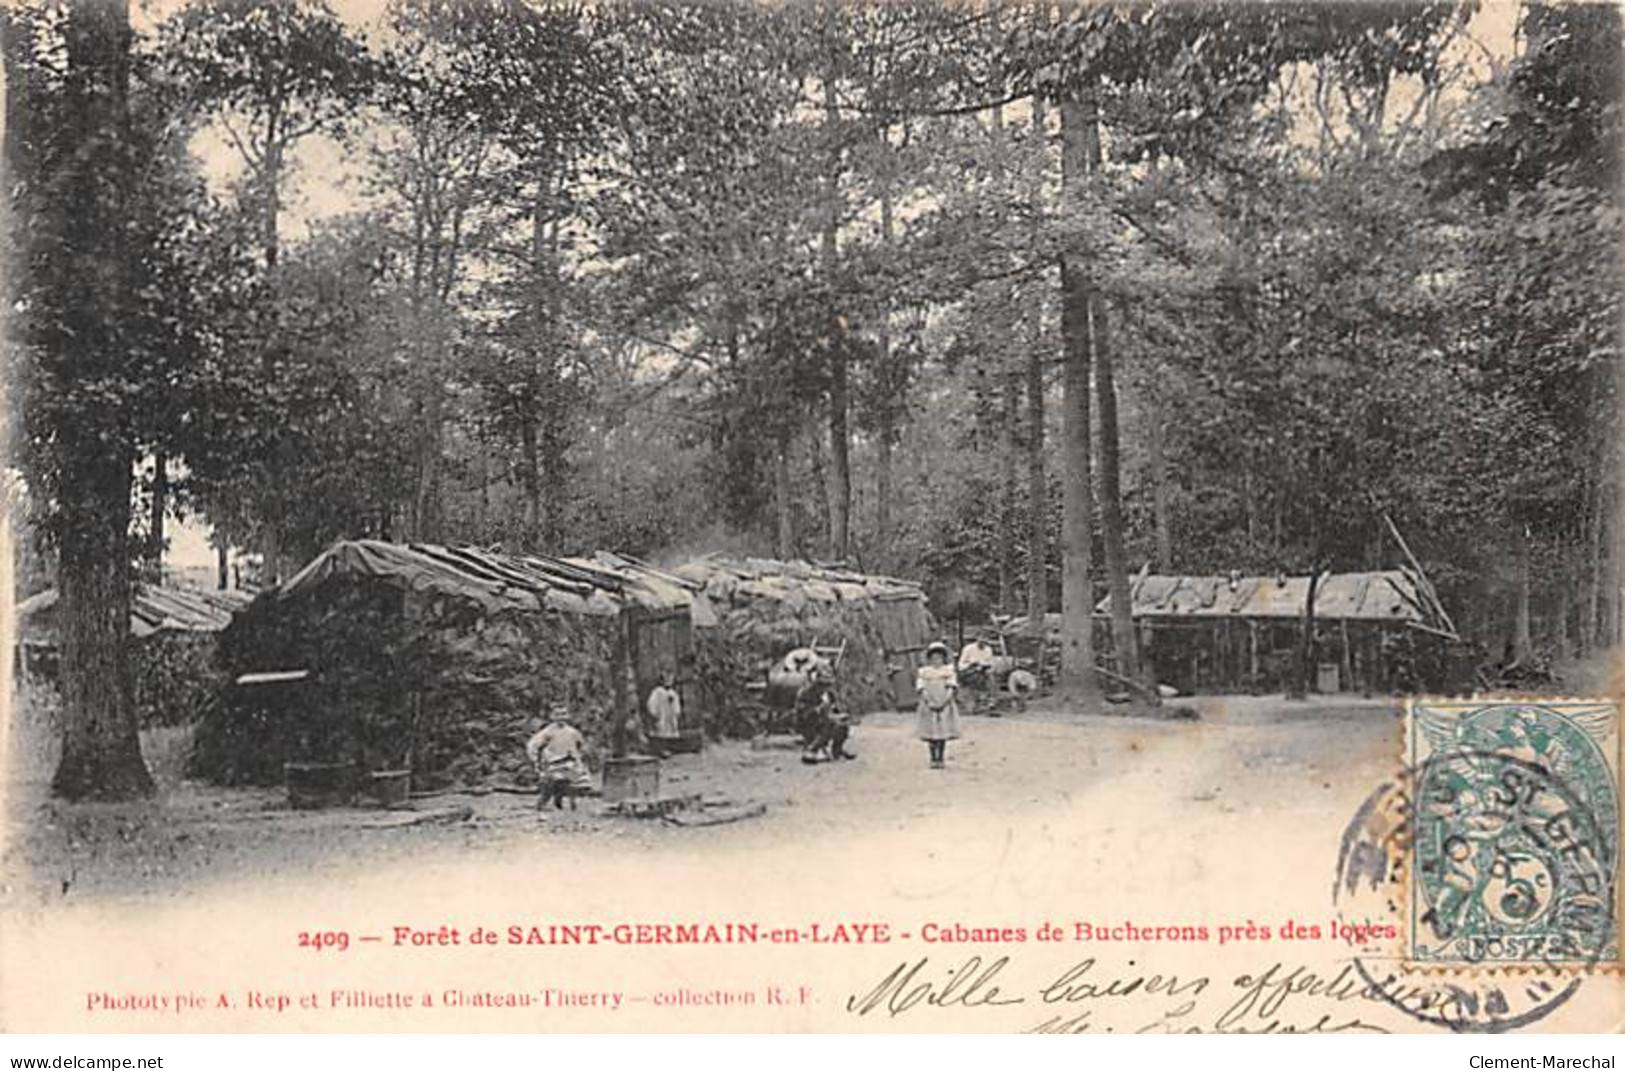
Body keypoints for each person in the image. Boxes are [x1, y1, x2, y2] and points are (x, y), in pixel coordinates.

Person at [526, 703, 591, 811]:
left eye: (563, 714)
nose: (561, 717)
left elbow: (581, 747)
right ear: (552, 716)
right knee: (552, 784)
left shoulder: (573, 732)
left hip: (570, 764)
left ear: (567, 715)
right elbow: (533, 746)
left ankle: (571, 805)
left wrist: (579, 759)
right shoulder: (547, 732)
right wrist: (537, 762)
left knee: (576, 784)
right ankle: (543, 804)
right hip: (553, 764)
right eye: (557, 714)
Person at [915, 641, 961, 769]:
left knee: (942, 732)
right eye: (934, 658)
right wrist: (928, 700)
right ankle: (932, 757)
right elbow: (921, 688)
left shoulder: (948, 671)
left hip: (944, 703)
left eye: (939, 658)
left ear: (943, 658)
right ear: (929, 659)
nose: (937, 661)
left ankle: (941, 757)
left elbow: (951, 687)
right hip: (929, 703)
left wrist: (945, 701)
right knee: (931, 732)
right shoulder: (924, 672)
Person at [646, 670, 683, 757]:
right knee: (660, 732)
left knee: (670, 731)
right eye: (666, 679)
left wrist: (676, 712)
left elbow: (676, 704)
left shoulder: (673, 693)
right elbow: (651, 703)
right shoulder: (657, 692)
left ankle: (669, 748)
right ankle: (661, 749)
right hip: (661, 714)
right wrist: (654, 713)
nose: (669, 682)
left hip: (670, 715)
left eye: (670, 680)